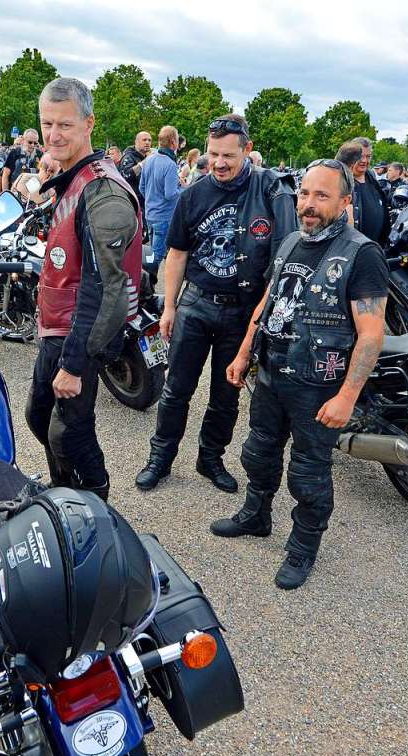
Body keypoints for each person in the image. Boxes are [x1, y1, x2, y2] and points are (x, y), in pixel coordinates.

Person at [217, 159, 388, 589]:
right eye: (305, 194)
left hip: (319, 386)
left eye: (321, 195)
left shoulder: (362, 254)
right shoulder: (293, 240)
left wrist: (347, 397)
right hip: (272, 374)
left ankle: (303, 546)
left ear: (345, 201)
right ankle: (256, 517)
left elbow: (370, 335)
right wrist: (242, 355)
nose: (308, 204)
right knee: (257, 453)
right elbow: (267, 302)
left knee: (308, 475)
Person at [135, 114, 297, 493]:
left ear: (247, 150)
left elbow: (283, 258)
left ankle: (211, 459)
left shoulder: (270, 191)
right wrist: (170, 307)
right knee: (176, 389)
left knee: (227, 395)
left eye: (228, 155)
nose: (219, 163)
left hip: (242, 311)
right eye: (213, 154)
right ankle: (161, 457)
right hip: (196, 303)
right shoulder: (194, 193)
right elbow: (176, 254)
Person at [26, 78, 143, 501]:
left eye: (65, 126)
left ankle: (93, 499)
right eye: (47, 124)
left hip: (79, 333)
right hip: (57, 326)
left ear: (89, 124)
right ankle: (63, 494)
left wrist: (75, 365)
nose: (53, 135)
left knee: (68, 432)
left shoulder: (103, 190)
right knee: (39, 416)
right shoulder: (74, 178)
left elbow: (104, 288)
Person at [138, 125, 182, 284]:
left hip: (150, 213)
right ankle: (147, 283)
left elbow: (141, 188)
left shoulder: (149, 160)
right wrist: (183, 190)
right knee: (157, 253)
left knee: (151, 250)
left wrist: (151, 200)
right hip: (163, 216)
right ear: (173, 142)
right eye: (177, 140)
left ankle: (145, 280)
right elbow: (170, 194)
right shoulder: (170, 164)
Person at [345, 137, 390, 245]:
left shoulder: (371, 176)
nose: (364, 160)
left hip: (375, 246)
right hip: (354, 250)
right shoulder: (342, 181)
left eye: (368, 156)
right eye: (360, 156)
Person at [0, 128, 42, 193]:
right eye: (30, 142)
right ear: (23, 140)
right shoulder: (15, 153)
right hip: (15, 192)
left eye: (35, 143)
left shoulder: (40, 154)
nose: (33, 145)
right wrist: (6, 194)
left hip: (33, 194)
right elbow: (5, 175)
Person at [119, 130, 152, 204]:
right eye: (144, 140)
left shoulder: (148, 157)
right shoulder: (128, 156)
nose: (147, 142)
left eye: (149, 140)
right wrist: (143, 163)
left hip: (147, 200)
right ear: (136, 142)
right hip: (133, 201)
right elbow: (126, 174)